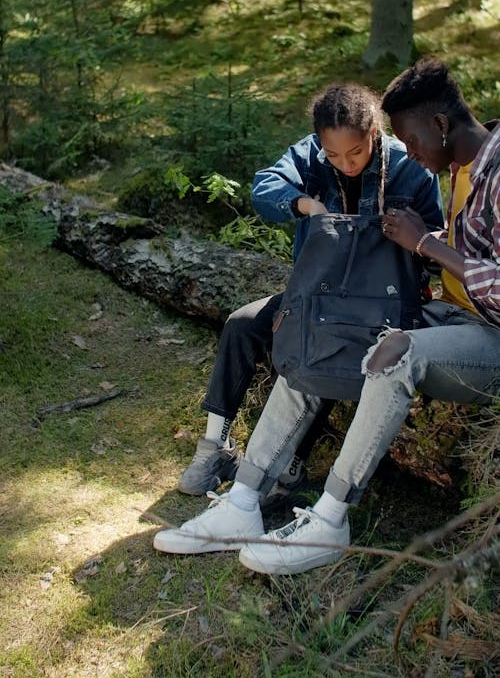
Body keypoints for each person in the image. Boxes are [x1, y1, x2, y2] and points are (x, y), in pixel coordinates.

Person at [153, 59, 499, 574]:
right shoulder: (460, 168)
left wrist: (425, 242)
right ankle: (244, 502)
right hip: (446, 313)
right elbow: (470, 253)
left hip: (487, 335)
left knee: (394, 355)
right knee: (324, 334)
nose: (412, 154)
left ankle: (331, 518)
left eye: (409, 138)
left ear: (440, 124)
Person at [177, 82, 443, 506]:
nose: (345, 163)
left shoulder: (411, 169)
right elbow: (265, 189)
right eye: (333, 153)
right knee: (242, 325)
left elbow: (436, 242)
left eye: (355, 152)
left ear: (374, 132)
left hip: (382, 307)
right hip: (314, 296)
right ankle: (214, 448)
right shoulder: (310, 155)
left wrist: (414, 241)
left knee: (326, 347)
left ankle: (289, 466)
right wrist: (305, 205)